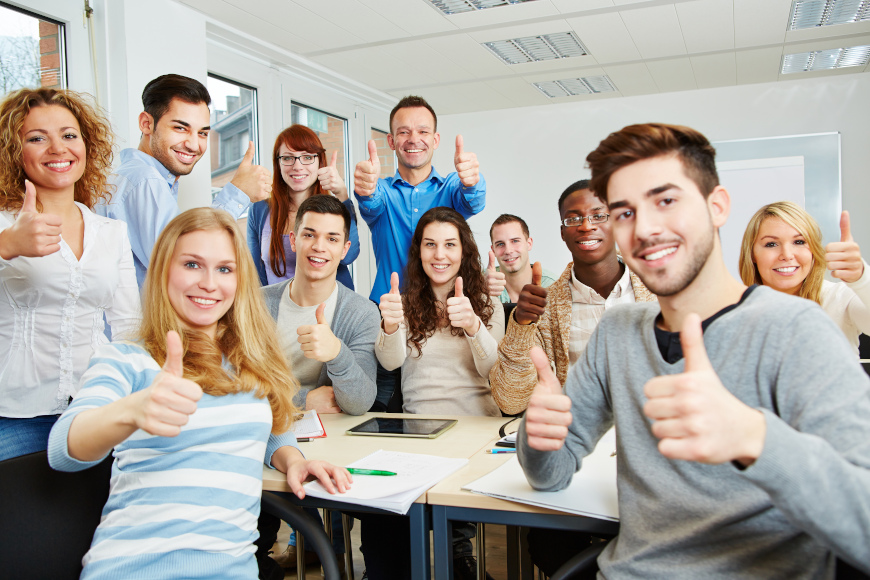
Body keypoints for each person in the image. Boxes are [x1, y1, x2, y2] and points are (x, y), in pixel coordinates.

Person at [520, 123, 870, 578]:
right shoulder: (618, 332)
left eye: (666, 201)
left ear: (717, 206)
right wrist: (539, 433)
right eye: (624, 212)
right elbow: (550, 474)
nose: (645, 228)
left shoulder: (797, 331)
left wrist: (754, 438)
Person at [47, 208, 350, 580]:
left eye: (224, 269)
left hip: (233, 570)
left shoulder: (250, 362)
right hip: (136, 569)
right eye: (192, 265)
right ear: (164, 271)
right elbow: (63, 448)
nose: (209, 283)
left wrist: (292, 460)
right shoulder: (128, 358)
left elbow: (269, 423)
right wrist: (131, 412)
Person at [0, 87, 140, 461]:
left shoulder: (112, 232)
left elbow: (129, 325)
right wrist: (7, 246)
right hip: (14, 415)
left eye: (68, 135)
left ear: (86, 144)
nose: (58, 149)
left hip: (95, 409)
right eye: (36, 138)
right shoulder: (4, 225)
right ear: (14, 152)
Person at [367, 207, 503, 580]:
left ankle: (458, 554)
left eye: (449, 245)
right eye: (430, 245)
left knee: (454, 533)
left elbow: (495, 372)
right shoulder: (405, 303)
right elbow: (390, 362)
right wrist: (391, 323)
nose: (439, 255)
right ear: (419, 252)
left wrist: (475, 325)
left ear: (464, 251)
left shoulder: (488, 303)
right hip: (420, 432)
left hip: (476, 433)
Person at [257, 194, 378, 572]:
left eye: (330, 238)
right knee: (254, 536)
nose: (318, 247)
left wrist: (336, 352)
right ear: (293, 240)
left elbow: (359, 401)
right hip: (263, 437)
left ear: (345, 248)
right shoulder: (257, 304)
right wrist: (306, 397)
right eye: (309, 235)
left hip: (328, 444)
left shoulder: (360, 312)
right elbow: (240, 386)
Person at [355, 95, 485, 411]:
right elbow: (370, 202)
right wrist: (364, 189)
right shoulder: (382, 190)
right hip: (388, 313)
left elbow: (473, 200)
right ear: (391, 140)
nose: (414, 139)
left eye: (423, 131)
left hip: (439, 315)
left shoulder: (452, 187)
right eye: (404, 132)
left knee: (431, 401)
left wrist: (473, 181)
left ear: (436, 139)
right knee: (380, 406)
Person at [489, 180, 655, 417]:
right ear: (563, 233)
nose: (586, 226)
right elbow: (510, 401)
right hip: (581, 440)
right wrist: (521, 326)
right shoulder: (548, 307)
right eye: (574, 219)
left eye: (598, 216)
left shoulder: (659, 289)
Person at [97, 74, 272, 287]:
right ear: (146, 124)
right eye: (180, 128)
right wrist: (238, 192)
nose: (193, 145)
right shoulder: (145, 180)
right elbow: (187, 263)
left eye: (202, 133)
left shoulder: (140, 177)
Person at [739, 201, 870, 355]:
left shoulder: (839, 298)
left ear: (813, 250)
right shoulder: (736, 311)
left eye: (799, 242)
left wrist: (861, 279)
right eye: (771, 244)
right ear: (752, 254)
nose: (787, 255)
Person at [248, 124, 360, 290]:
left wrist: (342, 195)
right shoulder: (259, 210)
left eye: (307, 157)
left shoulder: (333, 207)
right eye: (288, 158)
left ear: (319, 162)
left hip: (330, 310)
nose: (297, 166)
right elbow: (255, 275)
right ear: (278, 163)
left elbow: (348, 256)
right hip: (276, 311)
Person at [485, 213, 557, 303]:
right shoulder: (482, 282)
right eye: (500, 244)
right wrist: (480, 291)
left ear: (529, 244)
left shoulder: (553, 286)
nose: (508, 250)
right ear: (493, 250)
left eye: (515, 241)